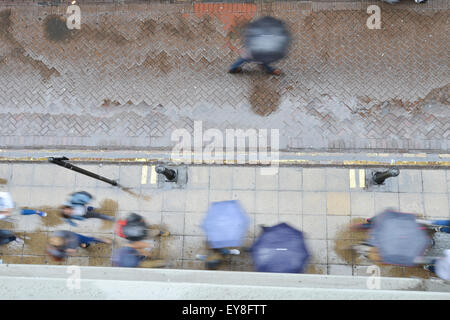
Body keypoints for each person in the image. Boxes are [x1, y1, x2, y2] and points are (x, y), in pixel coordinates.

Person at [47, 230, 111, 260]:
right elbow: (66, 253)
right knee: (80, 245)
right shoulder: (57, 250)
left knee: (88, 239)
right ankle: (82, 244)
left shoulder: (60, 233)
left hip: (76, 237)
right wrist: (69, 251)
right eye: (64, 243)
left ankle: (102, 240)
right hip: (72, 244)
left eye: (64, 240)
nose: (66, 241)